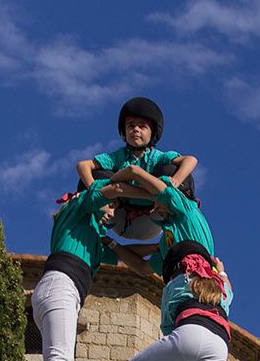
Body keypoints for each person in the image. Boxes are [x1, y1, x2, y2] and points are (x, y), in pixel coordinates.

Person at [18, 176, 120, 361]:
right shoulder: (76, 208)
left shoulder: (95, 238)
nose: (113, 212)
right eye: (111, 206)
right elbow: (99, 193)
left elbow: (134, 258)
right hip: (60, 286)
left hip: (64, 293)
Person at [77, 97, 197, 250]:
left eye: (142, 126)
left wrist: (174, 181)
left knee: (171, 170)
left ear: (152, 132)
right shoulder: (118, 156)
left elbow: (190, 160)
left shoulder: (158, 157)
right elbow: (83, 165)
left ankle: (178, 232)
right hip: (118, 216)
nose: (136, 130)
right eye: (131, 126)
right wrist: (95, 189)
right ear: (124, 130)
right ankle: (88, 233)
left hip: (151, 219)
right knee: (97, 174)